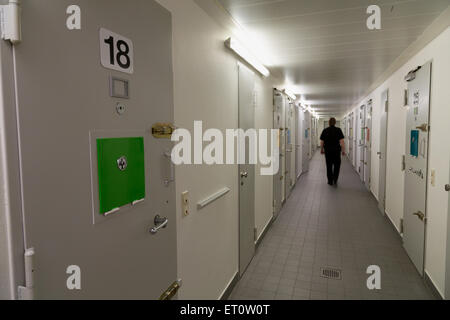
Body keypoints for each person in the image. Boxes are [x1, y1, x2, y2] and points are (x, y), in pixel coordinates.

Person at [320, 118, 345, 186]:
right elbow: (342, 141)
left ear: (329, 123)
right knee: (337, 166)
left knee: (329, 166)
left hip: (328, 151)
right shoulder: (338, 130)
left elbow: (322, 141)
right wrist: (343, 150)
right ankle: (335, 179)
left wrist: (321, 149)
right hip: (336, 151)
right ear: (335, 123)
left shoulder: (325, 130)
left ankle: (330, 181)